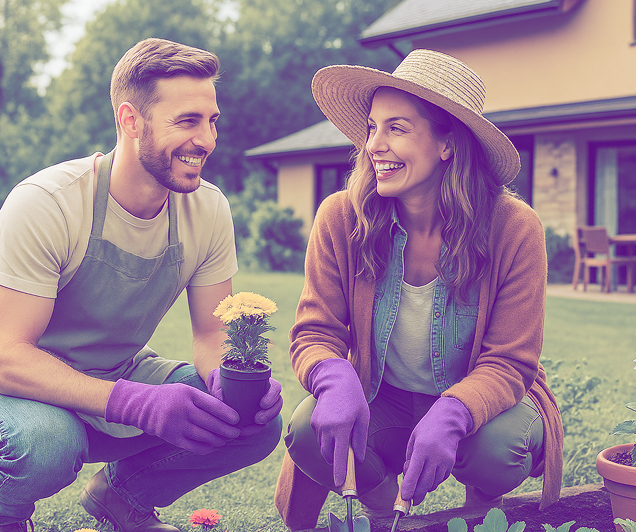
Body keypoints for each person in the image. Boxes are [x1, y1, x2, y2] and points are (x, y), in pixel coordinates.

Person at [274, 49, 564, 531]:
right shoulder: (342, 217)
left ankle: (479, 513)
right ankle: (381, 504)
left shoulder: (514, 228)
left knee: (496, 450)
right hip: (385, 397)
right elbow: (314, 333)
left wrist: (453, 411)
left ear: (447, 144)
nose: (374, 145)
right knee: (309, 428)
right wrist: (334, 377)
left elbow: (511, 361)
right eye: (371, 127)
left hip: (484, 407)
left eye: (397, 128)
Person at [0, 38, 282, 532]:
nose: (208, 140)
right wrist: (134, 402)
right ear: (131, 121)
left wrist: (232, 382)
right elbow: (7, 355)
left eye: (212, 120)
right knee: (47, 444)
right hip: (23, 393)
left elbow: (213, 332)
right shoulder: (48, 203)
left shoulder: (208, 209)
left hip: (118, 372)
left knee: (248, 422)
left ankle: (121, 498)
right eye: (187, 121)